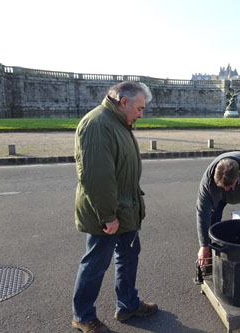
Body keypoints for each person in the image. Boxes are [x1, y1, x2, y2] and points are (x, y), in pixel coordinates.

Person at [71, 81, 157, 333]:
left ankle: (127, 304)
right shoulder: (97, 124)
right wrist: (108, 216)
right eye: (140, 108)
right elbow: (95, 177)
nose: (142, 114)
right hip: (107, 212)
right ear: (123, 102)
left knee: (128, 257)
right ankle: (82, 316)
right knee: (96, 263)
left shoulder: (119, 122)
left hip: (125, 207)